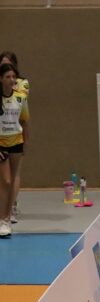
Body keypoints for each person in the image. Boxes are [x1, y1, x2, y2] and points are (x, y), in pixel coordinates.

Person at [0, 62, 28, 238]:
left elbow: (24, 120)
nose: (11, 80)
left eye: (13, 77)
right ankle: (2, 218)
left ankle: (6, 219)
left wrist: (26, 142)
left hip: (16, 142)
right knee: (6, 180)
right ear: (1, 79)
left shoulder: (20, 97)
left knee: (12, 182)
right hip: (1, 143)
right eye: (7, 77)